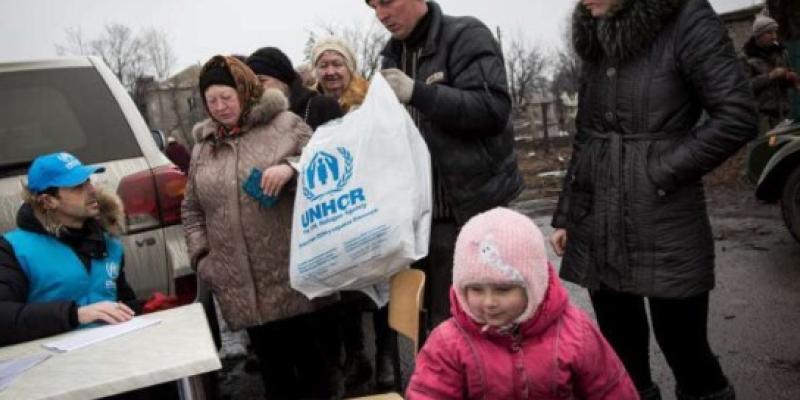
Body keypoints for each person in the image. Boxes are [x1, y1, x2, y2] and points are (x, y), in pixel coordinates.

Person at [549, 0, 757, 399]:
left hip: (665, 218)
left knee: (687, 353)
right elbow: (586, 136)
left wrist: (659, 170)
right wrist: (568, 216)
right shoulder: (596, 30)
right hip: (599, 222)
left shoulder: (685, 18)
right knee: (620, 358)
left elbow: (736, 116)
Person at [182, 55, 339, 399]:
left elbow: (333, 165)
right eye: (212, 101)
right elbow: (191, 209)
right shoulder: (203, 149)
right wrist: (202, 258)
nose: (220, 107)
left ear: (246, 91)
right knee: (273, 374)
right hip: (239, 282)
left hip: (292, 275)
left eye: (227, 97)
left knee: (314, 368)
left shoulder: (285, 124)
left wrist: (292, 169)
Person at [367, 0, 523, 335]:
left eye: (387, 2)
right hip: (414, 223)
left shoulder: (465, 35)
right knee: (422, 329)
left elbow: (492, 109)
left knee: (471, 325)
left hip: (466, 212)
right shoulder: (389, 58)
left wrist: (418, 93)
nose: (381, 15)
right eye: (373, 7)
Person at [406, 207, 638, 400]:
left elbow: (611, 390)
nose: (489, 302)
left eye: (503, 289)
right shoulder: (448, 343)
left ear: (533, 284)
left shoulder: (576, 331)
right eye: (475, 289)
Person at [310, 37, 394, 392]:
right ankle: (356, 357)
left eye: (337, 63)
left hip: (372, 205)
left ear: (351, 66)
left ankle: (387, 358)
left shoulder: (371, 101)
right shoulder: (310, 107)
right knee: (343, 292)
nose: (330, 71)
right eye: (324, 65)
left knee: (381, 287)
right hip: (334, 214)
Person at [0, 152, 139, 346]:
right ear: (48, 201)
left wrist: (146, 307)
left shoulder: (110, 243)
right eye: (77, 186)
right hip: (50, 367)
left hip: (114, 355)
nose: (92, 189)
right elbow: (4, 319)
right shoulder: (13, 249)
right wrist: (75, 315)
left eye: (88, 180)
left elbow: (124, 302)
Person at [246, 47, 343, 131]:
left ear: (282, 79)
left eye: (262, 80)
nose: (256, 87)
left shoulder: (322, 106)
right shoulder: (250, 118)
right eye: (251, 83)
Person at [743, 14, 800, 132]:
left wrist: (790, 77)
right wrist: (770, 76)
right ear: (758, 36)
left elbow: (788, 75)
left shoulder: (781, 53)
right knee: (767, 149)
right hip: (762, 119)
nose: (774, 36)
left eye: (775, 32)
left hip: (784, 116)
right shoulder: (747, 59)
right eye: (769, 33)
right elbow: (745, 87)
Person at [312, 37, 370, 113]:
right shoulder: (306, 104)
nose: (330, 72)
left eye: (337, 65)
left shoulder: (369, 98)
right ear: (315, 71)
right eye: (323, 66)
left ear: (350, 68)